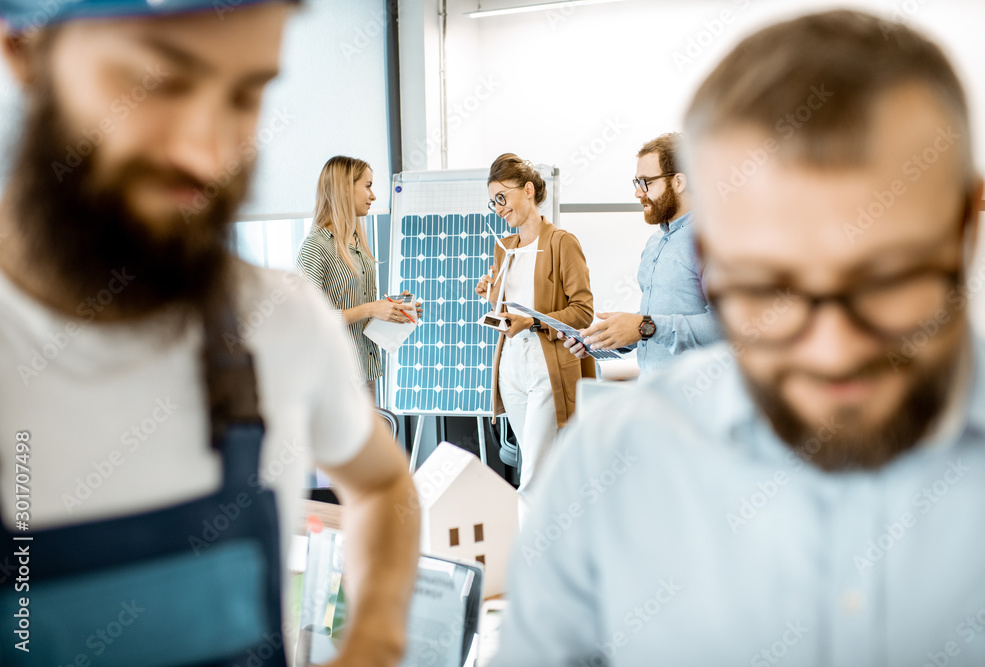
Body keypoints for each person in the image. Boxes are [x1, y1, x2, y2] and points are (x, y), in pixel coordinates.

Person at [494, 9, 985, 665]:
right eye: (769, 289)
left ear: (965, 224)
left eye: (885, 279)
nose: (832, 348)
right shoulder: (611, 472)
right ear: (714, 249)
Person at [0, 3, 419, 666]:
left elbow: (383, 486)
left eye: (247, 93)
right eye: (159, 83)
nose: (208, 151)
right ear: (24, 53)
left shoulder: (280, 320)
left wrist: (373, 641)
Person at [475, 154, 595, 519]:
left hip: (547, 367)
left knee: (534, 477)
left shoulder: (562, 242)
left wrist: (533, 322)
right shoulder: (505, 246)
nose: (498, 208)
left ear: (528, 190)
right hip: (511, 368)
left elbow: (583, 312)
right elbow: (506, 310)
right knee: (539, 466)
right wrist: (490, 294)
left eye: (502, 197)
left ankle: (526, 559)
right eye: (492, 201)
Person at [559, 133, 723, 377]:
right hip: (653, 393)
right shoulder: (655, 242)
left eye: (646, 182)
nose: (638, 193)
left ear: (679, 182)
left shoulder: (713, 240)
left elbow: (726, 327)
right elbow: (655, 324)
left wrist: (644, 326)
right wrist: (602, 338)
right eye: (636, 182)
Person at [297, 156, 422, 402]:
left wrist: (393, 309)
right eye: (367, 186)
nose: (373, 196)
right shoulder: (316, 247)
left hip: (365, 373)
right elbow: (307, 323)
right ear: (345, 188)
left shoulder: (357, 242)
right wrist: (369, 309)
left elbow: (360, 309)